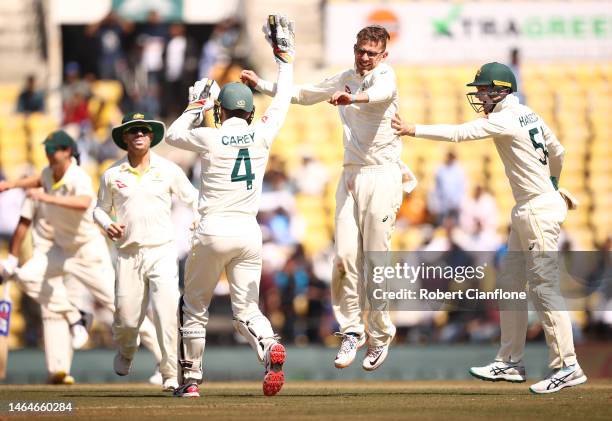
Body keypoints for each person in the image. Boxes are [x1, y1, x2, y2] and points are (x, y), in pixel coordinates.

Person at [392, 62, 585, 394]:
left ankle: (567, 366)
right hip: (529, 208)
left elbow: (459, 134)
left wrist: (413, 129)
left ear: (500, 90)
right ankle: (510, 361)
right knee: (510, 284)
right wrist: (553, 182)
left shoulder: (506, 118)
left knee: (542, 287)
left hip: (537, 209)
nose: (479, 96)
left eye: (483, 90)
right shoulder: (528, 113)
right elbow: (559, 151)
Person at [241, 24, 406, 371]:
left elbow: (379, 95)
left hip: (383, 174)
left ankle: (380, 335)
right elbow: (303, 94)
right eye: (360, 50)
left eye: (371, 53)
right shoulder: (346, 76)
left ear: (383, 55)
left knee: (374, 262)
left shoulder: (385, 77)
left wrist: (352, 99)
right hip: (351, 174)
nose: (364, 58)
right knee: (343, 258)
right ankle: (351, 330)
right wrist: (263, 86)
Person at [165, 14, 295, 398]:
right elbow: (284, 98)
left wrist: (195, 105)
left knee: (193, 308)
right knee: (246, 310)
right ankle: (270, 345)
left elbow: (173, 135)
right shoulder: (264, 131)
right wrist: (284, 61)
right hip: (248, 235)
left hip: (212, 231)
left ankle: (190, 382)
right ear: (250, 112)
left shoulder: (211, 136)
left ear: (220, 111)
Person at [0, 130, 163, 378]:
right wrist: (12, 184)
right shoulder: (48, 173)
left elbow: (84, 202)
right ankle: (76, 316)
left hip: (88, 251)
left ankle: (164, 361)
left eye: (53, 150)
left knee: (121, 309)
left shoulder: (78, 176)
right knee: (24, 276)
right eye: (47, 149)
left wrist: (44, 197)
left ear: (67, 152)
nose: (48, 154)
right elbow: (37, 180)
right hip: (61, 252)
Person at [94, 112, 199, 392]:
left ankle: (169, 373)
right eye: (133, 130)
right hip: (128, 254)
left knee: (166, 312)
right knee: (127, 320)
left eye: (144, 130)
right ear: (125, 137)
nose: (139, 134)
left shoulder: (168, 170)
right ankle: (127, 350)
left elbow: (193, 198)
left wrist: (199, 217)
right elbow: (99, 209)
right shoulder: (112, 174)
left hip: (162, 251)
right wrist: (107, 224)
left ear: (151, 136)